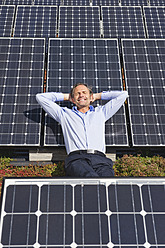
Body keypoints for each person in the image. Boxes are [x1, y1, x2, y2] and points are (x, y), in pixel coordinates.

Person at [36, 83, 128, 177]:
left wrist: (97, 96)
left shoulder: (101, 112)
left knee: (109, 183)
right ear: (72, 99)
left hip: (100, 160)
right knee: (91, 179)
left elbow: (123, 95)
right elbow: (40, 97)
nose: (81, 95)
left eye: (84, 92)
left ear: (90, 96)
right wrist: (67, 97)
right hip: (77, 160)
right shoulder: (64, 114)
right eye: (77, 94)